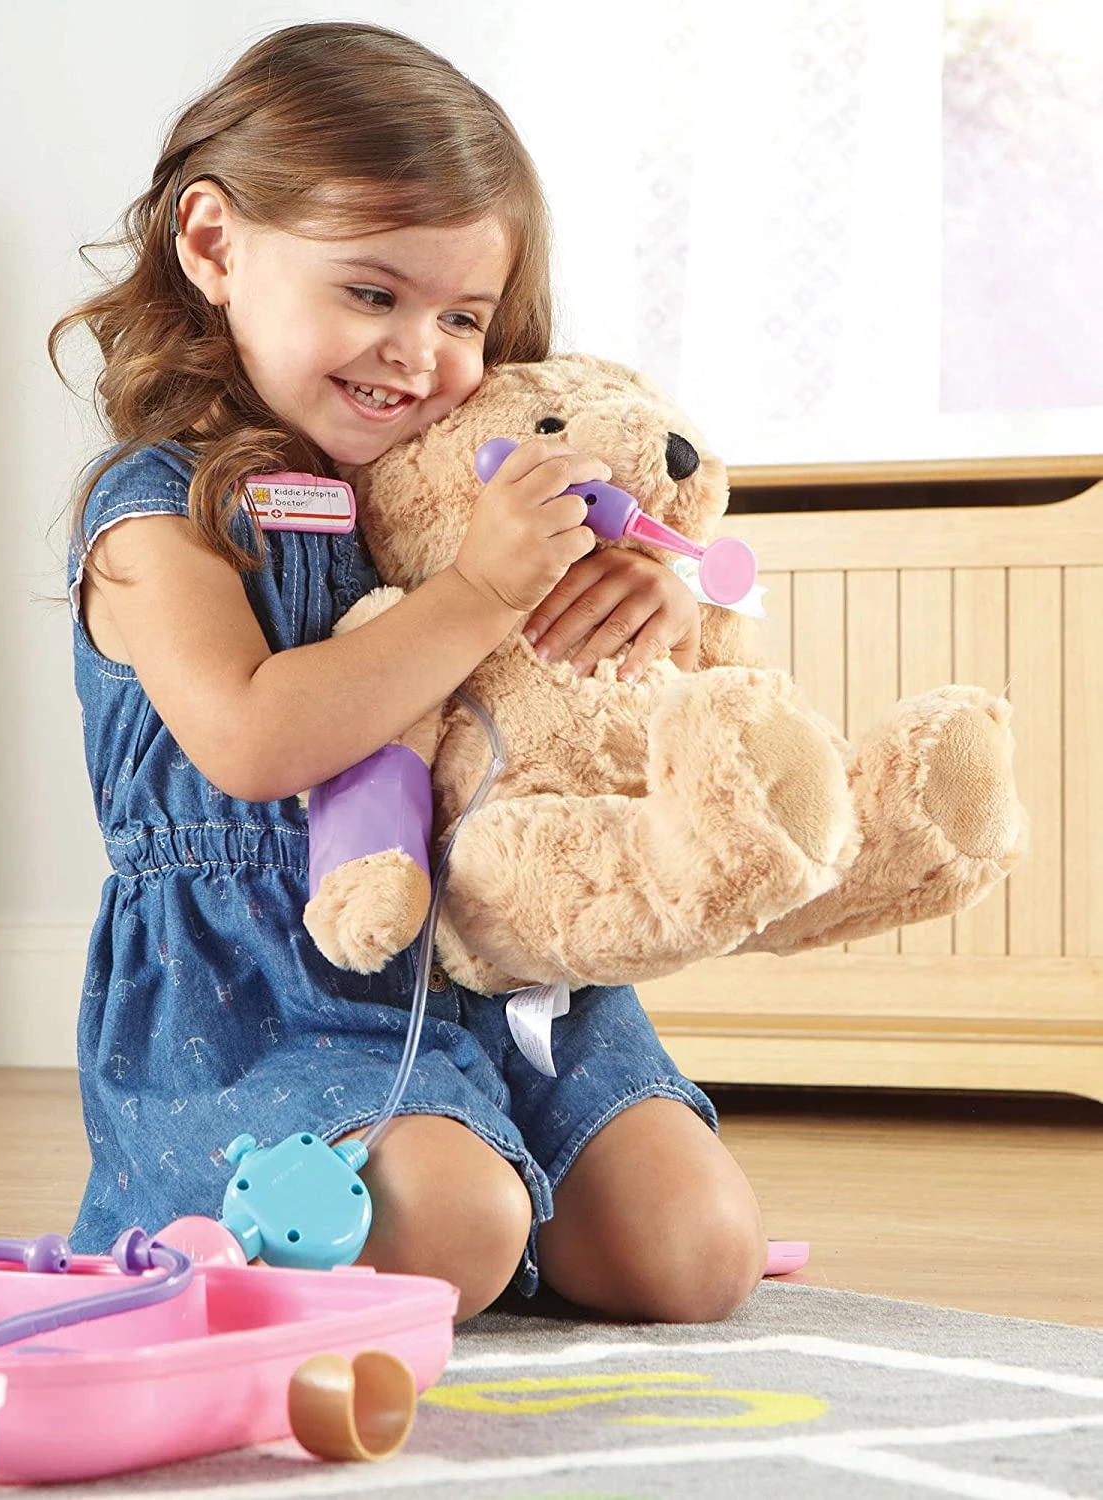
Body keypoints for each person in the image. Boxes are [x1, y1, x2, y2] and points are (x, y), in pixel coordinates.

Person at [49, 21, 765, 1322]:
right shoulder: (156, 517)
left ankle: (498, 1173)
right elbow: (256, 742)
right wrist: (481, 592)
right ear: (212, 243)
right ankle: (272, 1213)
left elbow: (560, 693)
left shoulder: (447, 488)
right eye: (372, 294)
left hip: (497, 958)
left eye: (463, 317)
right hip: (263, 987)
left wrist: (648, 600)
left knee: (697, 1254)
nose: (420, 354)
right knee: (454, 1222)